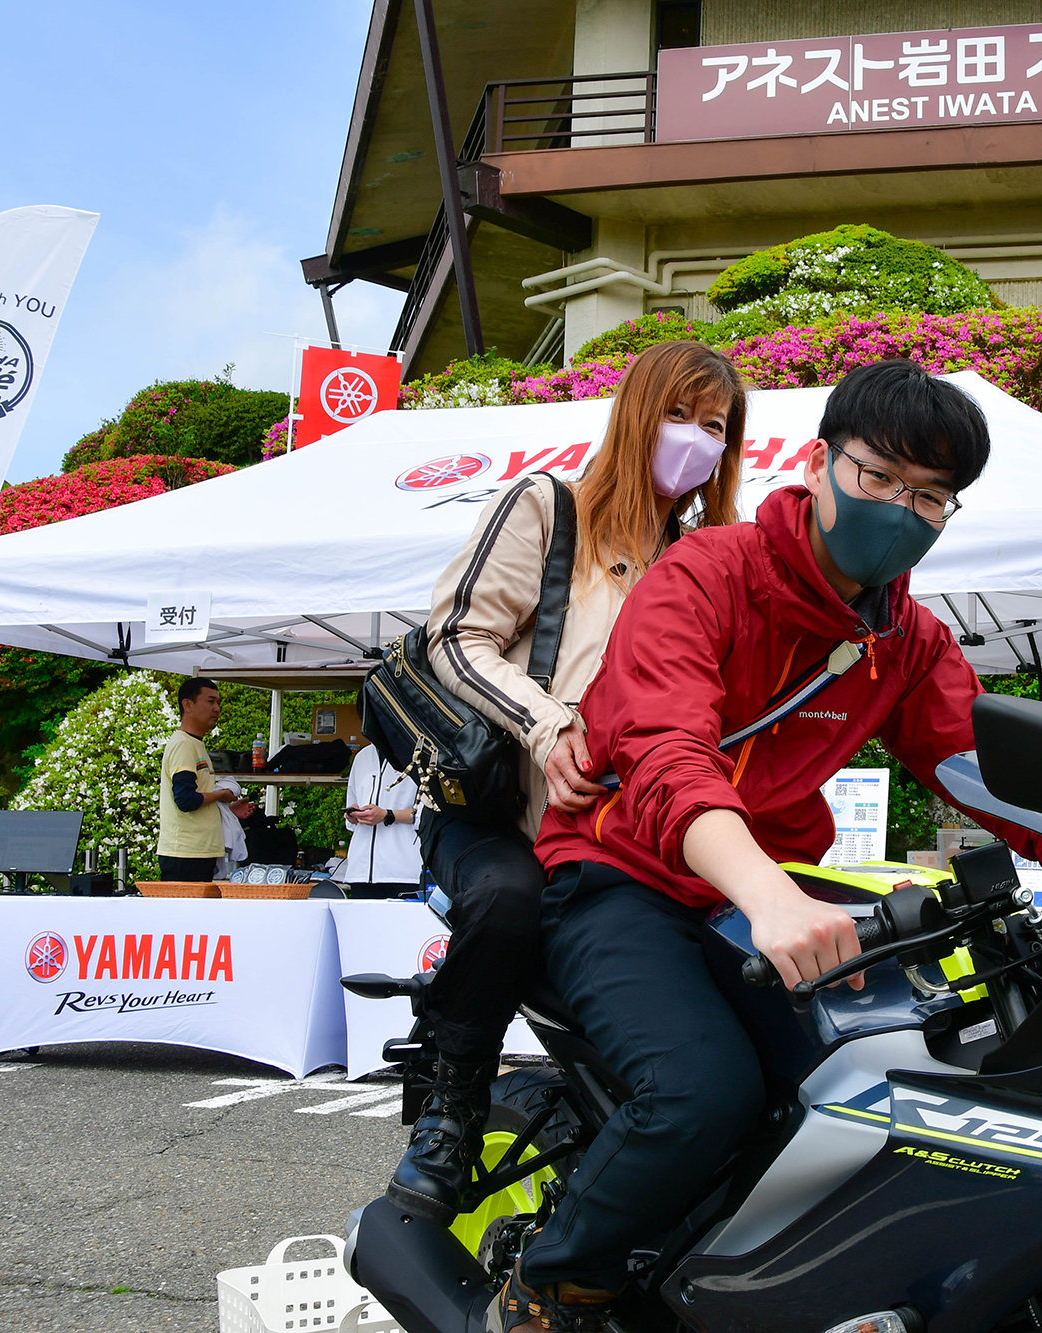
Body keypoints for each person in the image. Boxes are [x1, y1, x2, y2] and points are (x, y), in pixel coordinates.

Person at [491, 360, 1042, 1331]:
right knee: (701, 1091)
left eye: (931, 496)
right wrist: (767, 894)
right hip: (621, 874)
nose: (902, 509)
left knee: (881, 1070)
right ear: (820, 463)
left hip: (762, 884)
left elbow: (973, 757)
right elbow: (664, 748)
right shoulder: (707, 574)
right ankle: (551, 1282)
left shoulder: (901, 635)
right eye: (879, 478)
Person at [388, 341, 749, 1225]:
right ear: (636, 414)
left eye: (716, 429)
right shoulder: (547, 508)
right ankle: (450, 1108)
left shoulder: (700, 556)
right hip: (499, 810)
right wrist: (550, 727)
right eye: (682, 418)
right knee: (508, 898)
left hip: (623, 839)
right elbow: (456, 638)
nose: (697, 443)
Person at [157, 678, 254, 882]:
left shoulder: (196, 744)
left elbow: (198, 796)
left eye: (218, 702)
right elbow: (185, 800)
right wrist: (222, 794)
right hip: (184, 854)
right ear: (188, 704)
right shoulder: (183, 744)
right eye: (210, 701)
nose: (216, 708)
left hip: (199, 852)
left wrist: (227, 808)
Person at [341, 742, 422, 898]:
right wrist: (353, 815)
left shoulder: (416, 755)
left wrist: (387, 815)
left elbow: (428, 812)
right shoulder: (362, 757)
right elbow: (352, 802)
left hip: (403, 871)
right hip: (361, 871)